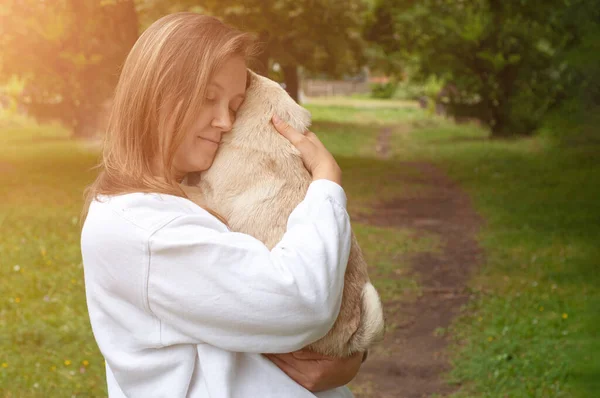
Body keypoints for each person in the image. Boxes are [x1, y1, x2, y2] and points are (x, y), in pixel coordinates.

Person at [80, 12, 365, 398]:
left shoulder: (185, 198)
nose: (225, 122)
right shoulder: (144, 230)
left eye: (234, 105)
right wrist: (326, 183)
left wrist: (345, 361)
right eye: (207, 98)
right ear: (153, 95)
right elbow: (300, 304)